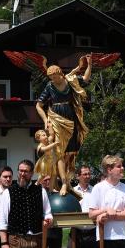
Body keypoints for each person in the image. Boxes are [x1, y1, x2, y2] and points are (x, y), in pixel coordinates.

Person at [35, 54, 93, 196]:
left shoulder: (70, 80)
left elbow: (85, 79)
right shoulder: (49, 86)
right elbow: (38, 105)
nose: (53, 79)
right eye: (51, 78)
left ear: (60, 73)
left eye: (55, 76)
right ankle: (63, 184)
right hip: (55, 117)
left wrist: (90, 65)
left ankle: (65, 180)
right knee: (59, 152)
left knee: (70, 152)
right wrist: (45, 120)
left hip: (70, 118)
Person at [38, 175, 64, 248]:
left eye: (50, 179)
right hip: (41, 231)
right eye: (45, 179)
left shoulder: (58, 194)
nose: (48, 181)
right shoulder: (37, 193)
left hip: (55, 230)